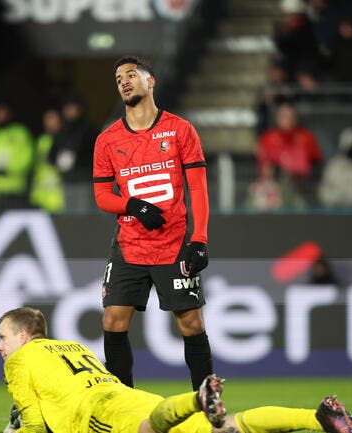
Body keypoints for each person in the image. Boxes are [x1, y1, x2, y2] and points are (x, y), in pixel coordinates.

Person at [0, 307, 352, 433]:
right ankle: (319, 417)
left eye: (3, 337)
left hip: (97, 413)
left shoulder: (19, 358)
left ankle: (197, 397)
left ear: (24, 335)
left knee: (148, 431)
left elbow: (30, 418)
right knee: (228, 427)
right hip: (128, 396)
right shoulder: (72, 346)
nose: (0, 347)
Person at [92, 55, 212, 391]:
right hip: (129, 244)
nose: (124, 82)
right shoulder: (107, 140)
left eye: (131, 74)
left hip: (173, 243)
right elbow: (102, 196)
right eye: (118, 79)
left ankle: (206, 404)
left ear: (151, 80)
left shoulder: (180, 130)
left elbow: (198, 188)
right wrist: (133, 205)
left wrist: (199, 239)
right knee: (113, 320)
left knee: (190, 322)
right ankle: (122, 406)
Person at [256, 103, 323, 209]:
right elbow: (264, 168)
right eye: (283, 116)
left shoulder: (306, 137)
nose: (287, 119)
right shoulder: (268, 138)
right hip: (275, 188)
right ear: (277, 118)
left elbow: (317, 163)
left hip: (302, 187)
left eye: (291, 116)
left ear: (296, 118)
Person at [29, 108, 65, 213]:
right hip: (40, 195)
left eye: (52, 118)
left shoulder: (64, 140)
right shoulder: (42, 140)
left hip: (59, 195)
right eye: (47, 119)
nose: (49, 122)